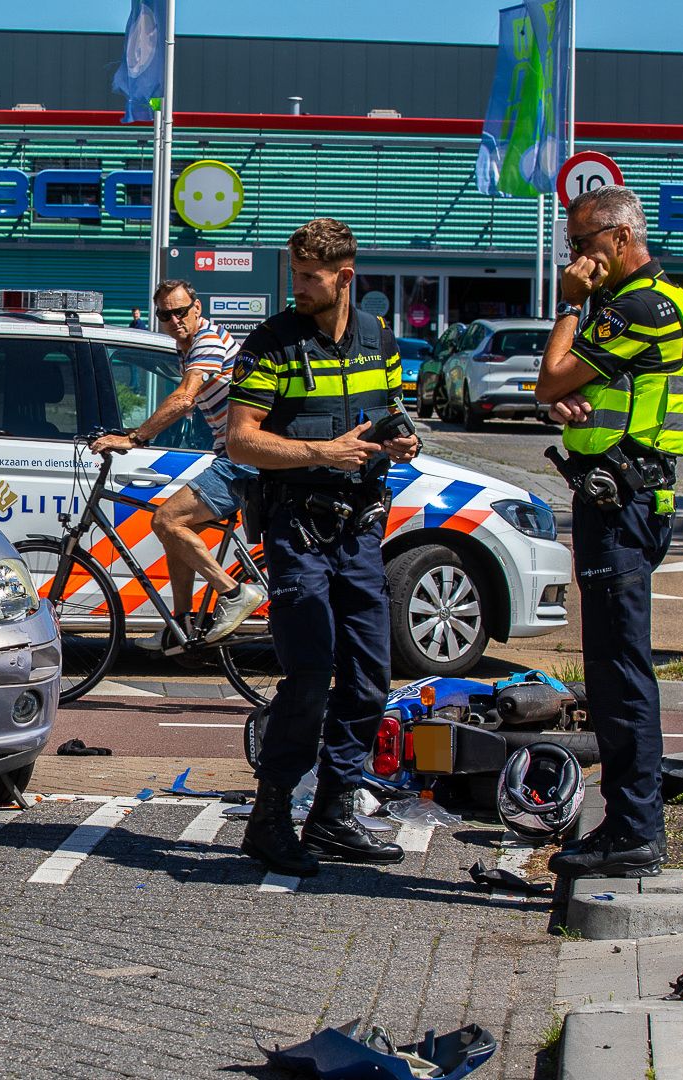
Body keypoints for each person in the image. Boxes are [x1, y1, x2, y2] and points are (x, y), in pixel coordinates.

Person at [224, 219, 420, 876]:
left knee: (370, 678)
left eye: (309, 277)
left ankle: (334, 814)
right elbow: (241, 441)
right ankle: (270, 817)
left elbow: (391, 412)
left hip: (360, 531)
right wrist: (321, 452)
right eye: (294, 273)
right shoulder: (273, 343)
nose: (297, 287)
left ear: (345, 276)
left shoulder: (377, 339)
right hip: (298, 532)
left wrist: (403, 438)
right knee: (310, 677)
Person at [534, 185, 683, 879]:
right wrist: (574, 403)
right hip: (628, 500)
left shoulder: (636, 306)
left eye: (583, 245)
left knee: (619, 672)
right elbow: (575, 390)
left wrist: (569, 307)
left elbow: (548, 377)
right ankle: (628, 822)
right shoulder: (646, 303)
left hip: (621, 509)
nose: (576, 258)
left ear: (621, 239)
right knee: (613, 668)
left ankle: (634, 830)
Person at [89, 280, 264, 648]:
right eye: (165, 315)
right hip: (231, 452)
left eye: (181, 311)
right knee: (176, 531)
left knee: (165, 519)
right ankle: (180, 626)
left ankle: (233, 593)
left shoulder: (208, 342)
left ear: (197, 309)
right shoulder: (189, 349)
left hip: (242, 458)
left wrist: (136, 439)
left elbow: (185, 398)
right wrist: (138, 427)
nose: (174, 320)